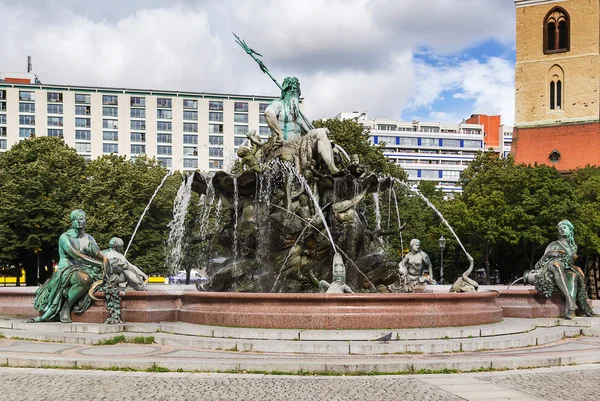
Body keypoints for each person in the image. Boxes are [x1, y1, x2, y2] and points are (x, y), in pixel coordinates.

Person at [29, 209, 108, 323]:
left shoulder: (89, 238)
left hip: (85, 268)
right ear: (72, 222)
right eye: (75, 220)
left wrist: (105, 260)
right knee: (84, 279)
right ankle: (66, 307)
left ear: (85, 221)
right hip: (67, 269)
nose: (79, 222)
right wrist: (99, 264)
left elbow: (98, 254)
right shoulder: (65, 237)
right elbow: (77, 255)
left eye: (81, 219)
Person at [264, 77, 340, 175]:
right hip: (284, 145)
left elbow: (311, 132)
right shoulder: (278, 104)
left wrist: (328, 142)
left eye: (296, 92)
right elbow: (268, 113)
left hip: (300, 146)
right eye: (291, 91)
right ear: (285, 92)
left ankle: (332, 168)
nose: (294, 94)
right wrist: (279, 133)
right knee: (320, 132)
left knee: (320, 132)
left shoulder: (298, 115)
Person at [525, 220, 595, 319]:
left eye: (564, 227)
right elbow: (538, 264)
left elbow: (569, 264)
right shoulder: (553, 244)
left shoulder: (573, 248)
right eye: (560, 228)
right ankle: (570, 300)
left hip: (565, 270)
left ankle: (568, 311)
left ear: (570, 230)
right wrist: (549, 254)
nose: (562, 229)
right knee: (557, 265)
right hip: (551, 267)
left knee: (574, 276)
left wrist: (577, 268)